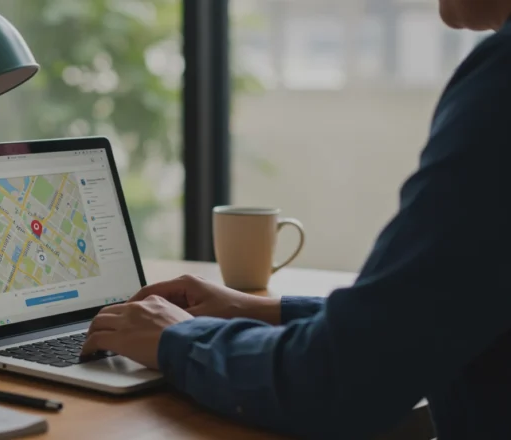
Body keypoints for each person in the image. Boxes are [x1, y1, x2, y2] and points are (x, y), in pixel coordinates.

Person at [81, 2, 510, 439]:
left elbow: (344, 379)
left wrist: (180, 339)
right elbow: (427, 316)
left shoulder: (501, 84)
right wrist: (262, 310)